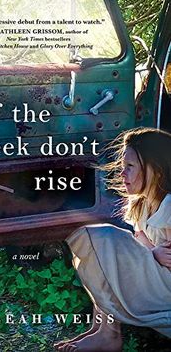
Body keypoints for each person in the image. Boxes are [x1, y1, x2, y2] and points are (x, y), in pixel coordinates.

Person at [54, 127, 171, 352]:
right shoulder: (142, 203)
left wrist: (149, 253)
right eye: (122, 166)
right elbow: (143, 241)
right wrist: (151, 253)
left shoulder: (169, 207)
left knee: (100, 237)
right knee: (98, 245)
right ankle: (101, 328)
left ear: (156, 170)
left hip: (165, 292)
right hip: (155, 283)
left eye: (130, 167)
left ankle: (110, 336)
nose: (121, 174)